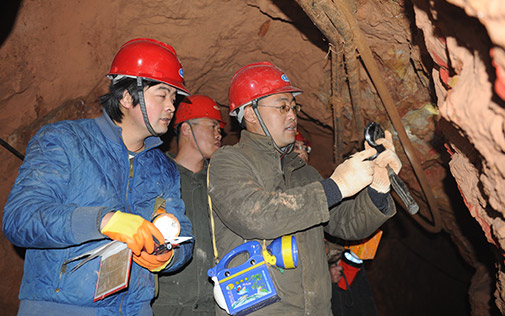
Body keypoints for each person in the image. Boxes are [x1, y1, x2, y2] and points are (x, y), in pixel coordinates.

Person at [2, 38, 193, 316]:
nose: (171, 107)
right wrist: (103, 220)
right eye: (162, 95)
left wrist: (169, 256)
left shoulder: (164, 168)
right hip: (62, 307)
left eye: (174, 98)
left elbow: (183, 232)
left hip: (135, 309)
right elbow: (21, 218)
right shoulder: (64, 141)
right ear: (127, 97)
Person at [207, 61, 401, 315]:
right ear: (251, 113)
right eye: (282, 106)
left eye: (293, 106)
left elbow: (346, 224)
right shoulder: (229, 161)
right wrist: (336, 186)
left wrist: (378, 187)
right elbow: (255, 215)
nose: (292, 115)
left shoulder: (304, 173)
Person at [152, 95, 225, 316]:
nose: (219, 134)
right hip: (165, 306)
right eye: (212, 126)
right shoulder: (157, 176)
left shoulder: (220, 181)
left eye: (219, 128)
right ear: (186, 129)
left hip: (213, 306)